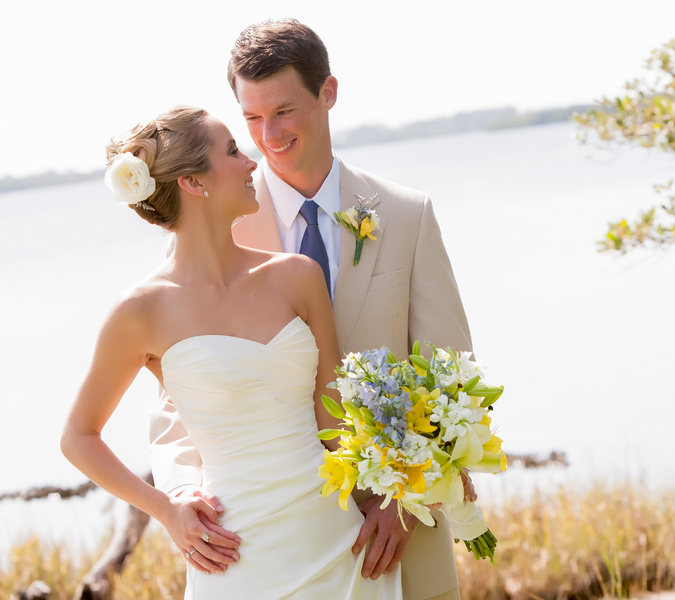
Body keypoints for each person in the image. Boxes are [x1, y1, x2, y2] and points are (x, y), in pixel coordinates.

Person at [149, 19, 474, 600]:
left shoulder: (407, 216)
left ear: (328, 93)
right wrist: (179, 498)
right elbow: (179, 398)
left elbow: (451, 379)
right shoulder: (206, 234)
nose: (268, 134)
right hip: (265, 547)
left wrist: (405, 499)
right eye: (250, 118)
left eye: (283, 111)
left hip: (397, 539)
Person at [61, 106, 401, 599]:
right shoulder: (139, 312)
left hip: (338, 542)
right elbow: (79, 437)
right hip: (233, 555)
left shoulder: (298, 276)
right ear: (193, 184)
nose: (251, 163)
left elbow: (334, 421)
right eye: (232, 151)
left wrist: (399, 491)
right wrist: (166, 509)